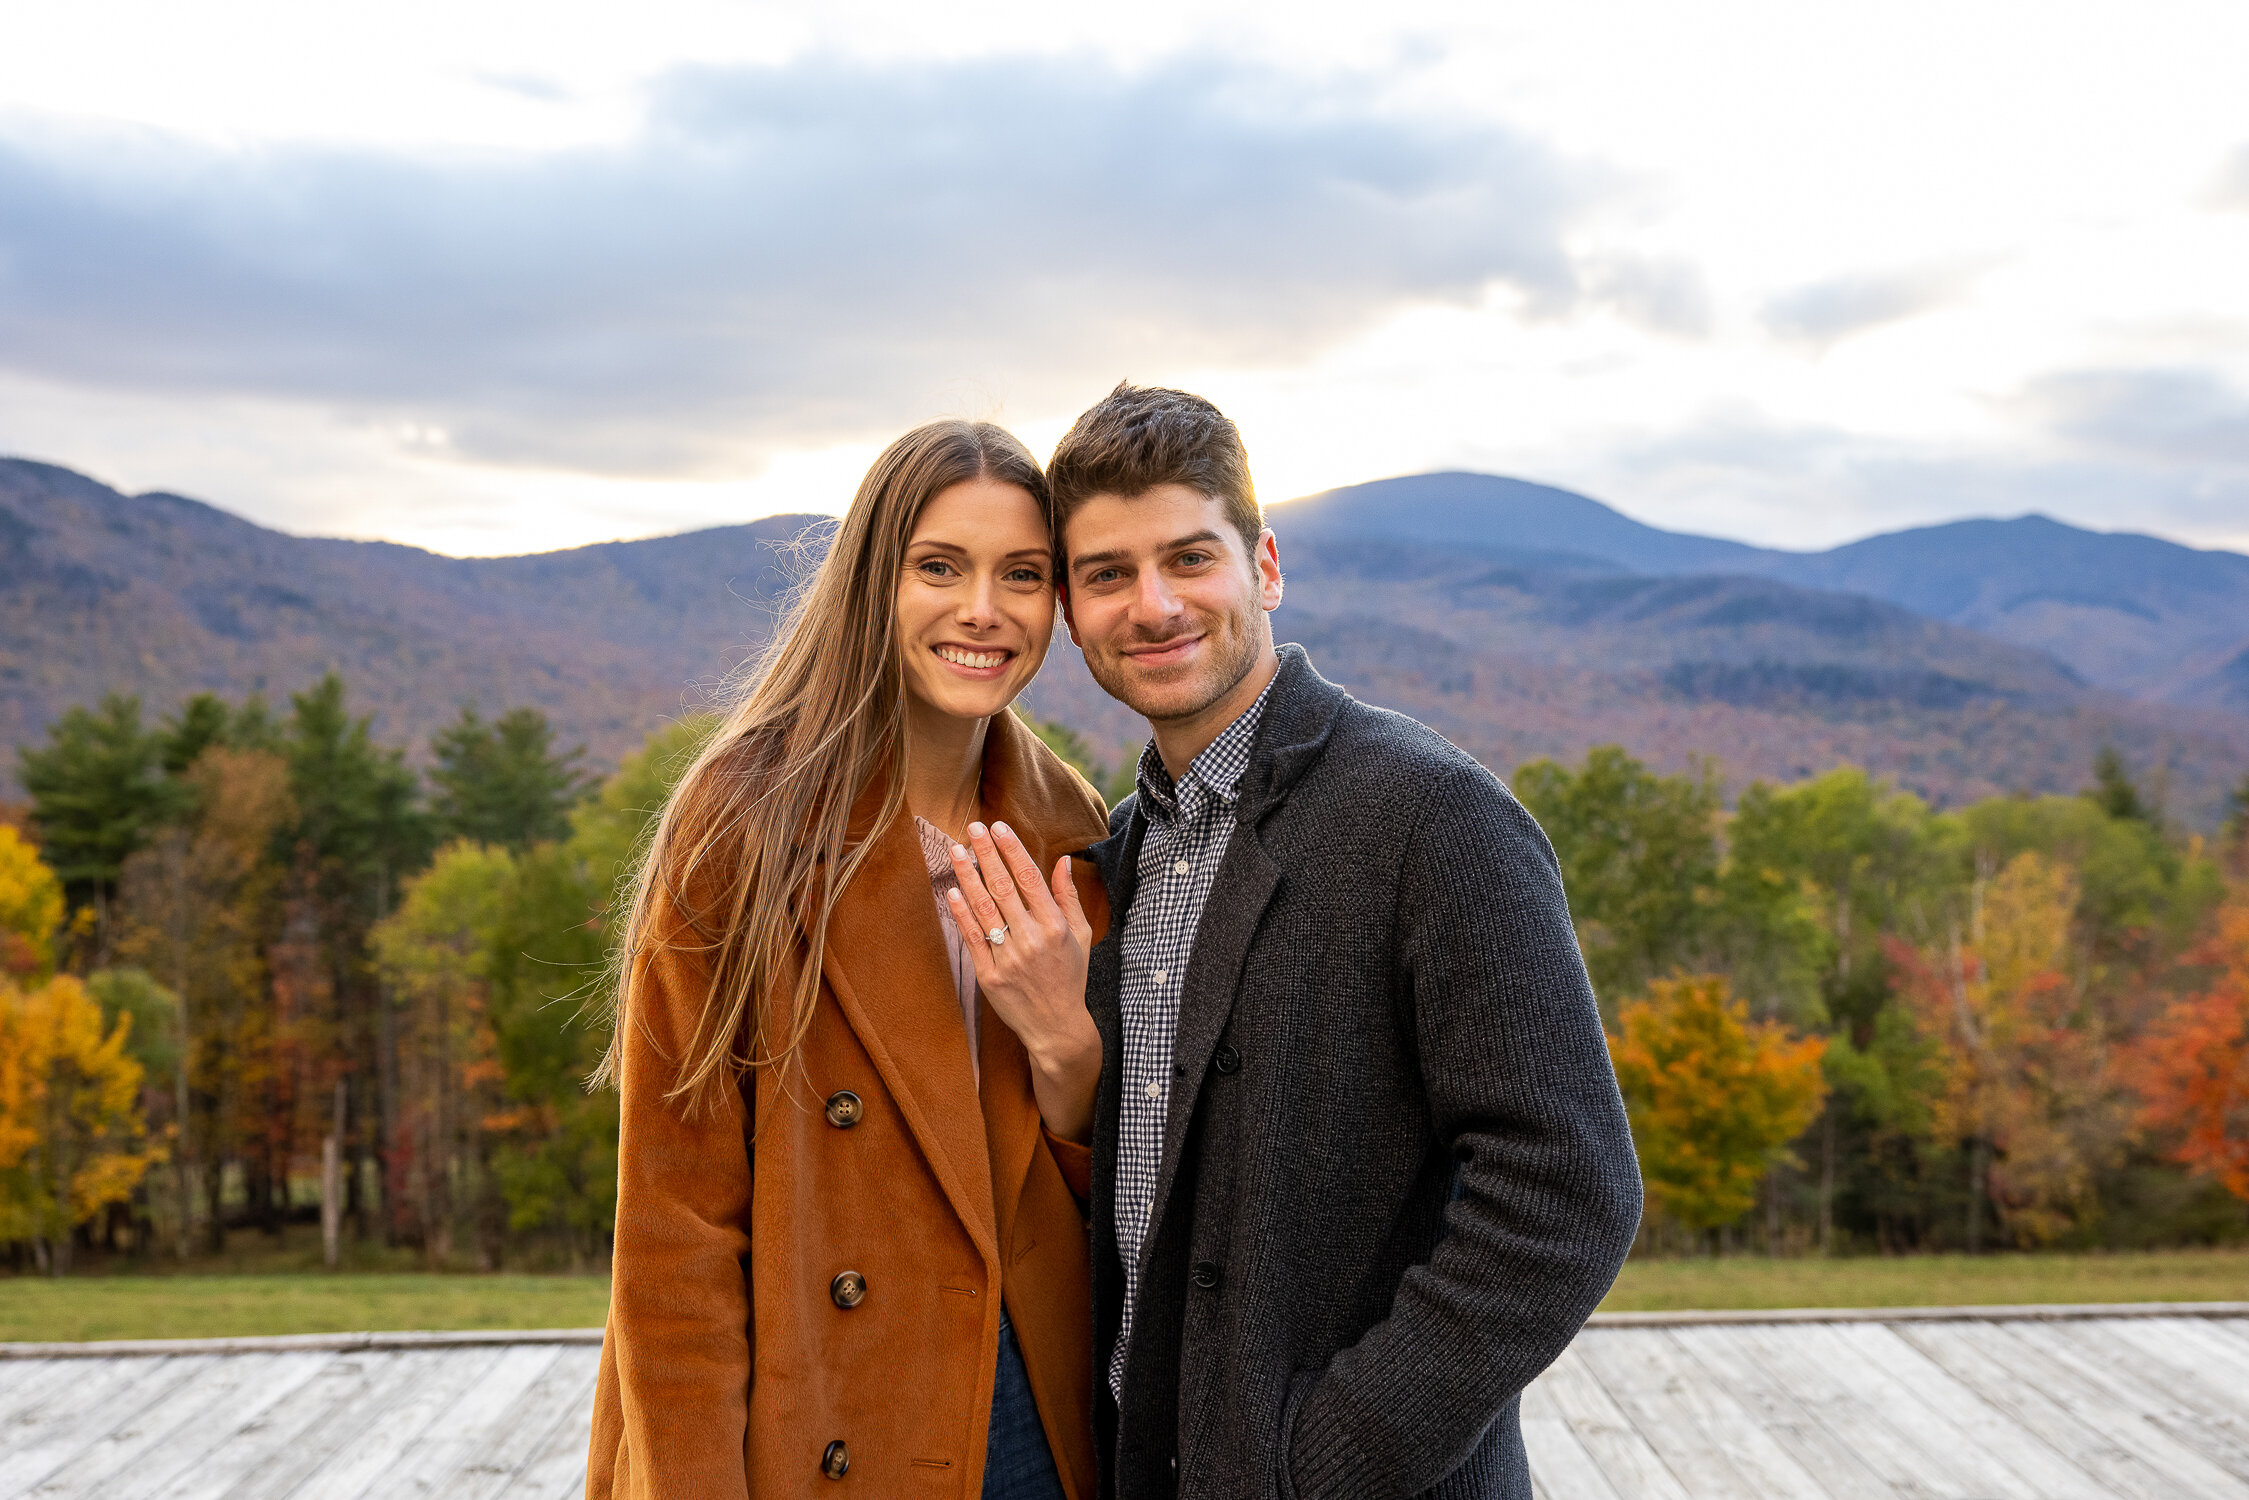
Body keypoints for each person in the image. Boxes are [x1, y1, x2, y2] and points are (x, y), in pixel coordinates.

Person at [1045, 384, 1642, 1500]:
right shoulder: (1119, 854)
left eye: (1189, 557)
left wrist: (1326, 1458)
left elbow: (1567, 1188)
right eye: (1107, 574)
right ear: (1072, 613)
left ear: (1263, 566)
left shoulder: (1432, 819)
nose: (1153, 604)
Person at [585, 419, 1113, 1500]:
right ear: (873, 579)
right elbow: (673, 1228)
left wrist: (1069, 1055)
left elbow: (1091, 1180)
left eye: (1021, 574)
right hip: (819, 1414)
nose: (984, 610)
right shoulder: (746, 822)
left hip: (1034, 1408)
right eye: (939, 567)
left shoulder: (1069, 826)